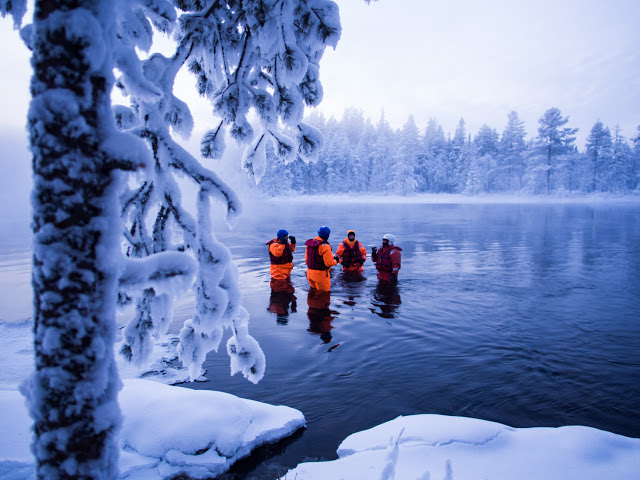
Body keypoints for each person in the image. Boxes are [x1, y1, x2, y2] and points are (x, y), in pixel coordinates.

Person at [304, 226, 338, 291]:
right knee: (324, 295)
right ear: (327, 234)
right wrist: (336, 260)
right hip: (320, 275)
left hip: (309, 273)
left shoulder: (309, 245)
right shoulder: (325, 246)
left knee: (312, 293)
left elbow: (306, 260)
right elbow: (329, 263)